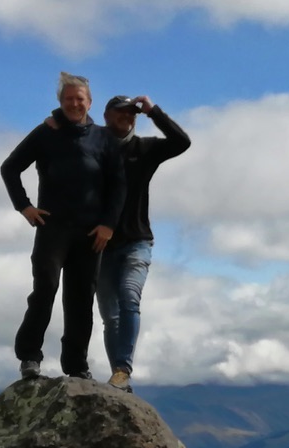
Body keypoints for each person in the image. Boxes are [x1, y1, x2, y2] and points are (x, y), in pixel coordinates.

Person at [49, 93, 190, 392]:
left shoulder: (144, 149)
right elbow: (71, 123)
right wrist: (57, 119)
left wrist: (154, 111)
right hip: (98, 246)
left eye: (132, 114)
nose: (128, 117)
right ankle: (119, 380)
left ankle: (122, 370)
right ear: (106, 115)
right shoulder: (92, 146)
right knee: (110, 317)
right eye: (121, 112)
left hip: (137, 241)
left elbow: (182, 142)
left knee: (129, 297)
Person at [1, 73, 126, 381]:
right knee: (45, 290)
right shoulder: (46, 133)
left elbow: (118, 185)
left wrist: (108, 225)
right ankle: (30, 357)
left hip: (90, 234)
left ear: (89, 102)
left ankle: (76, 366)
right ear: (60, 102)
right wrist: (24, 206)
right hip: (53, 229)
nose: (74, 104)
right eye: (68, 99)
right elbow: (10, 167)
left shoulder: (103, 138)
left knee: (81, 300)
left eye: (79, 99)